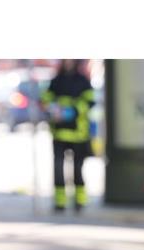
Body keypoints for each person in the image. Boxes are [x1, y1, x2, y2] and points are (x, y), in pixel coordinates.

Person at [41, 59, 95, 212]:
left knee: (77, 169)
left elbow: (90, 102)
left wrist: (74, 110)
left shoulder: (83, 81)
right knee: (58, 169)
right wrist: (52, 108)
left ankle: (80, 201)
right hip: (59, 133)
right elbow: (45, 99)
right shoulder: (56, 81)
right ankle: (60, 202)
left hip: (78, 135)